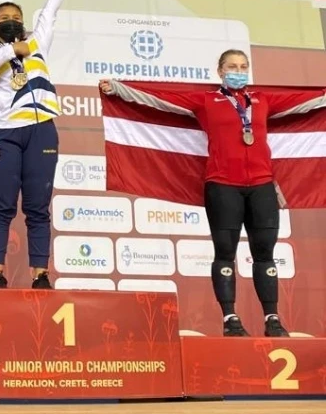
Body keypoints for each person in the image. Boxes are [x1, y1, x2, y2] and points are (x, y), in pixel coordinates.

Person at [100, 49, 326, 337]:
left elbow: (306, 101)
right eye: (232, 66)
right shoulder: (206, 101)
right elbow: (161, 97)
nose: (238, 71)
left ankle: (272, 319)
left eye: (243, 66)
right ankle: (230, 319)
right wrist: (119, 88)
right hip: (222, 186)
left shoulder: (262, 100)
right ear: (220, 71)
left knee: (265, 254)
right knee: (225, 253)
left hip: (262, 186)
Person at [0, 0, 73, 289]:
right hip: (5, 134)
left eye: (17, 17)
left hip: (42, 130)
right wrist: (11, 49)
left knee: (37, 208)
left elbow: (49, 15)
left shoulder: (38, 42)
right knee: (2, 206)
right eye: (5, 18)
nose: (12, 21)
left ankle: (40, 274)